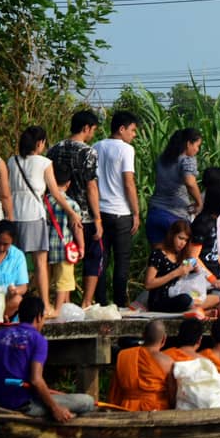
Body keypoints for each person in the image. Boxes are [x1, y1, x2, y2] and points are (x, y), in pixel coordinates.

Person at [9, 125, 83, 307]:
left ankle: (13, 301)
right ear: (40, 143)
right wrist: (72, 213)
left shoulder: (12, 161)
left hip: (14, 216)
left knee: (15, 261)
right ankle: (45, 304)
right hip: (34, 215)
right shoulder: (44, 163)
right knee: (40, 263)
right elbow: (56, 193)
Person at [0, 296, 93, 421]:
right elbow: (36, 380)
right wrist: (55, 408)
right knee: (88, 401)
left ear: (20, 316)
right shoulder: (38, 340)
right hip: (24, 406)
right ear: (38, 317)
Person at [48, 110, 103, 308]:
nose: (93, 134)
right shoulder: (87, 152)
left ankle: (64, 303)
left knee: (64, 261)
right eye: (93, 130)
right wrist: (97, 219)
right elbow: (91, 186)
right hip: (83, 214)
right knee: (92, 255)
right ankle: (86, 303)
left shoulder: (54, 149)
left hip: (55, 211)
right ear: (86, 128)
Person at [92, 111, 140, 306]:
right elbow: (128, 182)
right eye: (133, 130)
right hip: (121, 212)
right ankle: (120, 302)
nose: (134, 135)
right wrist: (136, 212)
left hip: (100, 212)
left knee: (101, 259)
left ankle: (101, 301)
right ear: (122, 129)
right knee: (122, 260)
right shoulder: (126, 149)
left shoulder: (96, 146)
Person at [147, 128, 202, 245]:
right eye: (197, 146)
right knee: (179, 259)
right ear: (188, 144)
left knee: (158, 257)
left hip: (154, 212)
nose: (197, 150)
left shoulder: (162, 159)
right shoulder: (187, 160)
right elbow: (190, 182)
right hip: (175, 216)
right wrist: (199, 202)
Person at [112, 319, 175, 411]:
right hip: (157, 412)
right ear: (164, 339)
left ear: (143, 336)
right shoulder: (168, 362)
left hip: (126, 410)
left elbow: (115, 392)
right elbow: (172, 396)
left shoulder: (124, 355)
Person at [0, 221, 29, 320]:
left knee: (17, 300)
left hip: (6, 302)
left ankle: (0, 319)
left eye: (5, 244)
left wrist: (15, 291)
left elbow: (23, 286)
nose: (1, 248)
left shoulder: (18, 256)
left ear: (12, 242)